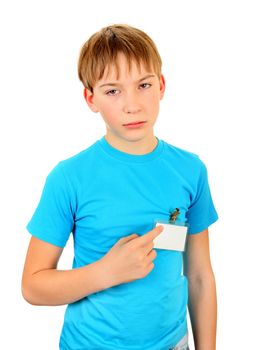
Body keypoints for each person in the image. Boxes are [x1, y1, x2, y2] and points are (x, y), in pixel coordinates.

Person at [21, 24, 218, 350]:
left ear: (162, 86)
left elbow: (199, 276)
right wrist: (106, 272)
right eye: (113, 90)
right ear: (91, 98)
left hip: (173, 343)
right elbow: (33, 285)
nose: (132, 105)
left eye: (143, 85)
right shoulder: (68, 178)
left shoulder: (190, 170)